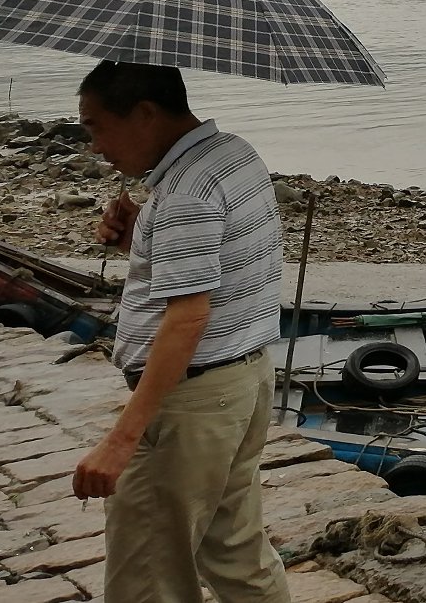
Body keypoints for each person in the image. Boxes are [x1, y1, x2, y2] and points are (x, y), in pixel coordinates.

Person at [71, 61, 290, 603]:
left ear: (145, 113)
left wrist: (121, 439)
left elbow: (188, 318)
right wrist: (141, 239)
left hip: (192, 402)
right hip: (244, 380)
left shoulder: (184, 195)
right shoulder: (232, 153)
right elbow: (218, 263)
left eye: (96, 126)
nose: (95, 146)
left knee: (147, 579)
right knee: (236, 555)